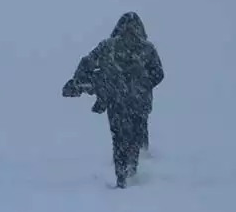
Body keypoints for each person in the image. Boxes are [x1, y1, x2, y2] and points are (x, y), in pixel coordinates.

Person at [62, 12, 164, 188]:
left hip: (116, 101)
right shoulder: (147, 48)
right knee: (135, 138)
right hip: (138, 103)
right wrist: (142, 84)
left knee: (118, 139)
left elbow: (87, 62)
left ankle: (122, 177)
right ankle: (132, 172)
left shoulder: (108, 46)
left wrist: (79, 81)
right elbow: (158, 74)